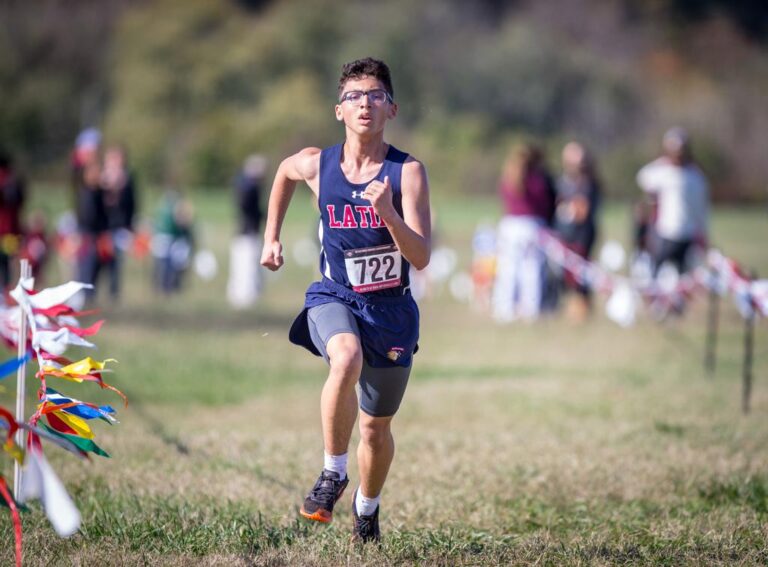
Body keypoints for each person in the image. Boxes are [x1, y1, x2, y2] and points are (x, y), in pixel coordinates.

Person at [260, 57, 431, 543]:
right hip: (335, 295)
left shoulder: (408, 172)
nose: (365, 104)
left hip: (392, 312)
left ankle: (367, 508)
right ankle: (333, 472)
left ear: (391, 108)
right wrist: (270, 238)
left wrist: (390, 215)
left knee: (376, 431)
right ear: (339, 110)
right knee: (346, 356)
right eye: (355, 96)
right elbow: (283, 172)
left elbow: (420, 257)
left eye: (375, 95)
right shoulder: (320, 163)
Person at [491, 143, 555, 322]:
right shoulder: (537, 180)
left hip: (510, 225)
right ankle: (531, 309)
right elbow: (545, 204)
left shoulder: (508, 178)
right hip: (531, 226)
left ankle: (504, 309)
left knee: (508, 269)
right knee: (531, 269)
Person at [636, 127, 709, 278]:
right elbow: (643, 177)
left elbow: (702, 207)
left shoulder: (695, 175)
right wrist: (663, 162)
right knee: (655, 273)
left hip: (688, 234)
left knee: (683, 277)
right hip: (665, 232)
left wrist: (703, 232)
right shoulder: (663, 171)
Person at [554, 142, 601, 321]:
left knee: (580, 275)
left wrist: (567, 208)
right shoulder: (563, 180)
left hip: (582, 236)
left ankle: (582, 311)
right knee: (564, 275)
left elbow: (582, 211)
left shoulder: (589, 183)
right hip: (564, 234)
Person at [227, 154, 266, 309]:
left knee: (246, 266)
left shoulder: (244, 185)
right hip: (247, 232)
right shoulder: (249, 187)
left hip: (246, 231)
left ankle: (244, 296)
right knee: (246, 266)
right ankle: (244, 298)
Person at [101, 144, 137, 301]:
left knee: (115, 262)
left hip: (119, 226)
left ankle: (113, 292)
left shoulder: (127, 179)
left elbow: (132, 203)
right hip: (102, 226)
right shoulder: (100, 178)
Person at [0, 151, 26, 288]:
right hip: (11, 232)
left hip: (6, 233)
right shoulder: (13, 180)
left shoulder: (9, 181)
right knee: (8, 268)